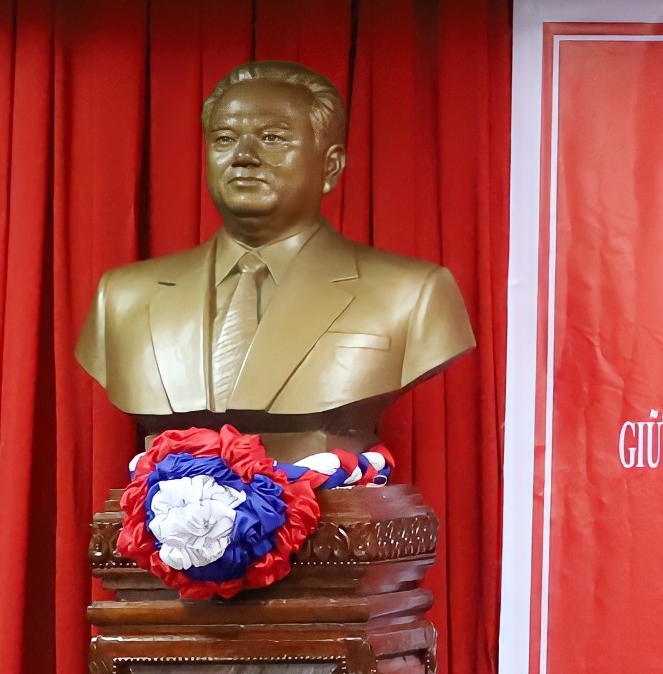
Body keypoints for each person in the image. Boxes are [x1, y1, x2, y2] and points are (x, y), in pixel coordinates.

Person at [73, 60, 473, 459]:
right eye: (225, 139)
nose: (243, 156)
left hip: (322, 504)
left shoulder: (412, 294)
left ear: (330, 166)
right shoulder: (123, 297)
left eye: (273, 138)